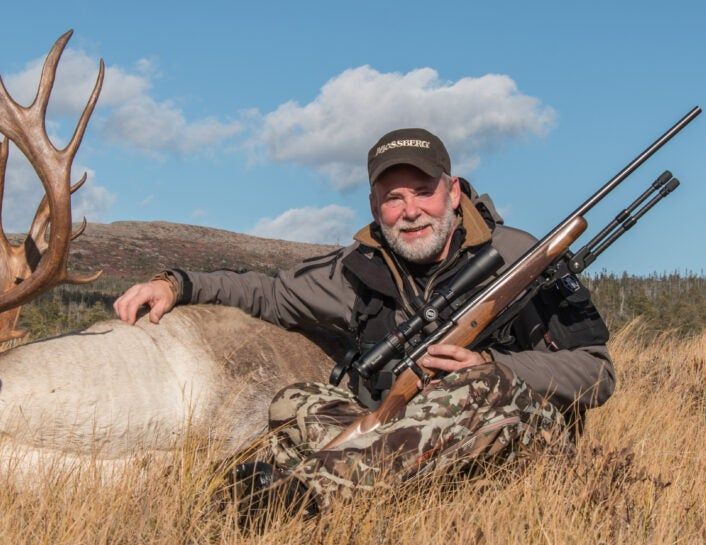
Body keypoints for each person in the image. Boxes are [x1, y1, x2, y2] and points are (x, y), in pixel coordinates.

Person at [113, 128, 615, 517]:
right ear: (375, 206)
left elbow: (597, 372)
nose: (410, 211)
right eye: (393, 198)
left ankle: (298, 495)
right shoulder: (354, 269)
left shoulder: (518, 256)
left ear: (454, 192)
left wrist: (493, 364)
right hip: (402, 426)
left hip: (517, 437)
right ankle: (305, 484)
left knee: (477, 386)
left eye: (423, 191)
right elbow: (266, 291)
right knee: (295, 400)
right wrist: (176, 284)